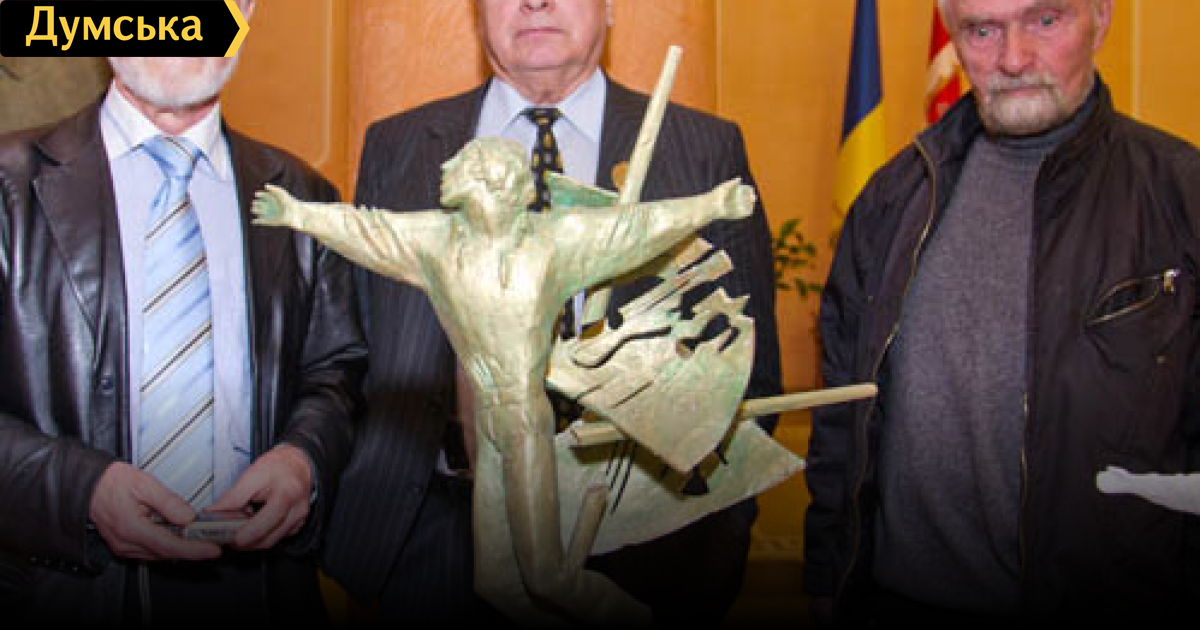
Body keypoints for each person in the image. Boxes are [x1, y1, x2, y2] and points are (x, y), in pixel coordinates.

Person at [319, 0, 782, 626]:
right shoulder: (398, 145)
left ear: (609, 9)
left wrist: (711, 547)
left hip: (644, 550)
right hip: (429, 548)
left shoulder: (702, 148)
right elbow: (352, 356)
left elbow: (748, 374)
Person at [804, 0, 1200, 625]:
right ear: (954, 39)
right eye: (983, 30)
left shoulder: (1182, 196)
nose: (1013, 59)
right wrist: (826, 578)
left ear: (1100, 18)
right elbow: (841, 419)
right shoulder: (893, 199)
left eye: (1045, 20)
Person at [253, 137, 758, 624]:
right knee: (497, 583)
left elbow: (635, 228)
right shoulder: (437, 241)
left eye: (463, 163)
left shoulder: (554, 241)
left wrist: (712, 204)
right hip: (489, 429)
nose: (447, 168)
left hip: (524, 423)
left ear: (492, 179)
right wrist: (298, 214)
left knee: (546, 578)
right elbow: (369, 229)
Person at [0, 0, 367, 625]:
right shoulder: (8, 190)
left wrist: (302, 459)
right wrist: (80, 492)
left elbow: (334, 376)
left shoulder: (307, 199)